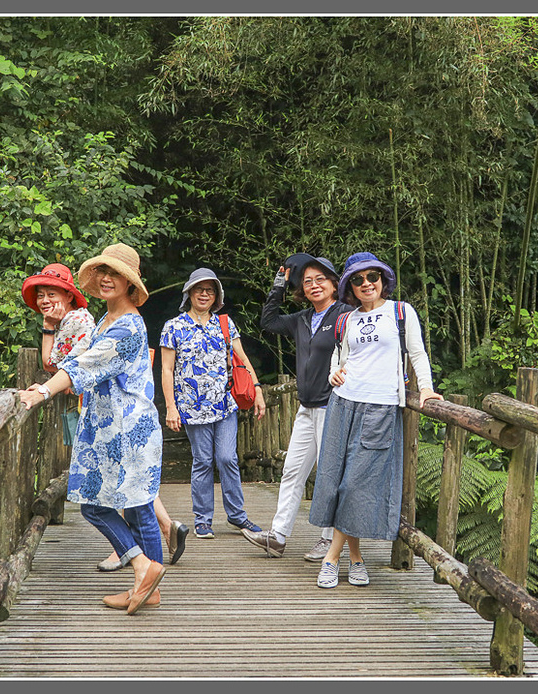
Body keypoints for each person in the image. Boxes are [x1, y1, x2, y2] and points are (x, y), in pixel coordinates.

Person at [19, 243, 166, 615]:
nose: (105, 278)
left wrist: (42, 392)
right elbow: (70, 361)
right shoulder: (105, 320)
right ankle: (146, 584)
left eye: (114, 273)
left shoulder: (128, 326)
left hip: (127, 430)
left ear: (130, 284)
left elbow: (84, 367)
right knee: (135, 509)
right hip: (109, 426)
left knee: (99, 507)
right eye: (102, 271)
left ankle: (142, 569)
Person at [308, 251, 443, 589]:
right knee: (338, 482)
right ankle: (355, 559)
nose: (366, 284)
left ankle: (331, 558)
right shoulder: (346, 319)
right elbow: (338, 357)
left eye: (372, 277)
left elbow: (417, 352)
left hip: (381, 408)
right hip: (343, 403)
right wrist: (333, 373)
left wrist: (426, 388)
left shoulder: (400, 312)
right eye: (358, 279)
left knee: (356, 485)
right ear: (350, 287)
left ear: (383, 280)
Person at [241, 254, 353, 561]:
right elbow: (268, 321)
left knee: (330, 475)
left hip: (333, 406)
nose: (314, 286)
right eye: (307, 282)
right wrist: (280, 280)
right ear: (301, 289)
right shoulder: (302, 319)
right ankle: (277, 537)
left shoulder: (346, 314)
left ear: (334, 284)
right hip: (306, 407)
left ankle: (329, 540)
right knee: (292, 471)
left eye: (320, 280)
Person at [160, 268, 266, 540]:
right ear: (189, 293)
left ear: (217, 296)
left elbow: (241, 359)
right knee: (203, 461)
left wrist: (257, 390)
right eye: (199, 289)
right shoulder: (174, 327)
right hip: (193, 407)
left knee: (227, 457)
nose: (204, 293)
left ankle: (237, 516)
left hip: (225, 403)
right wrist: (171, 407)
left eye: (210, 289)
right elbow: (167, 370)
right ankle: (203, 519)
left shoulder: (225, 324)